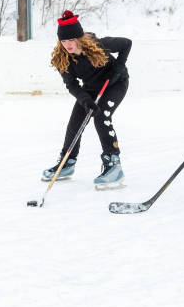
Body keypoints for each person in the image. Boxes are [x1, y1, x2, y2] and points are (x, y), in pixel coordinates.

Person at [42, 10, 131, 190]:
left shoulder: (98, 45)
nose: (67, 45)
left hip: (115, 83)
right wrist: (84, 100)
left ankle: (113, 164)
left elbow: (126, 44)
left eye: (71, 40)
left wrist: (119, 66)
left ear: (79, 38)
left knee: (101, 116)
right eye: (63, 41)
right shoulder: (62, 58)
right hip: (90, 88)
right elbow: (72, 85)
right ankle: (67, 163)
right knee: (75, 122)